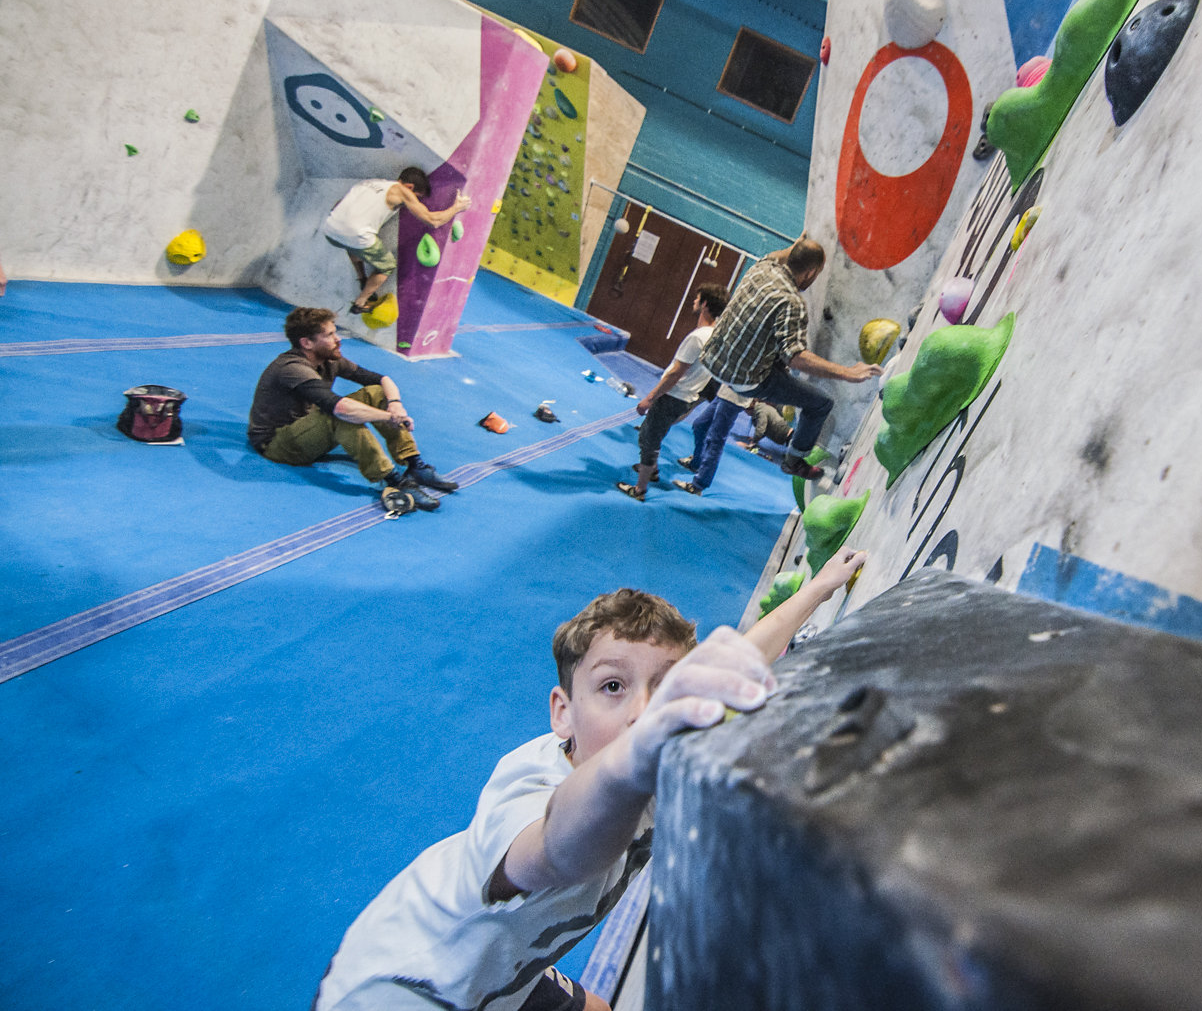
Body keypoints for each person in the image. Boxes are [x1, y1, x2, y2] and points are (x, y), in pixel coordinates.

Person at [312, 546, 869, 1011]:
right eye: (612, 687)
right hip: (404, 984)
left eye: (665, 687)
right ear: (562, 712)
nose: (640, 712)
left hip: (503, 964)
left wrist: (819, 587)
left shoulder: (653, 749)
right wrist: (635, 758)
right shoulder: (530, 786)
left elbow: (746, 653)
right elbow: (556, 851)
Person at [699, 236, 882, 481]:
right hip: (745, 379)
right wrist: (848, 372)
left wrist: (799, 243)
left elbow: (777, 255)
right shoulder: (792, 302)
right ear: (810, 273)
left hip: (713, 356)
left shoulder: (761, 268)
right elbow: (796, 357)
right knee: (820, 403)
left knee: (775, 350)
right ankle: (794, 460)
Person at [247, 307, 458, 508]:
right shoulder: (292, 368)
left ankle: (414, 464)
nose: (337, 339)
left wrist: (395, 405)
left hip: (306, 431)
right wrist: (389, 417)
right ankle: (392, 480)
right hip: (277, 444)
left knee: (375, 391)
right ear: (307, 343)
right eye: (329, 335)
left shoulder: (329, 360)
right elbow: (339, 408)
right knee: (340, 415)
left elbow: (382, 380)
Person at [615, 285, 728, 501]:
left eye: (697, 298)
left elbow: (676, 372)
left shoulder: (698, 337)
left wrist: (650, 398)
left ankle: (640, 489)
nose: (693, 301)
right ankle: (652, 468)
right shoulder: (716, 336)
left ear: (705, 304)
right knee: (654, 433)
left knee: (649, 439)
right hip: (686, 397)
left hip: (674, 395)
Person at [323, 167, 470, 313]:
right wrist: (457, 207)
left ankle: (362, 279)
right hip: (356, 235)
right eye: (416, 197)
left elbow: (338, 204)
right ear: (409, 187)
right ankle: (360, 303)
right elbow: (433, 221)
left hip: (330, 230)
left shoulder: (370, 182)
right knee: (386, 266)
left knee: (351, 244)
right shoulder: (402, 190)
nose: (414, 201)